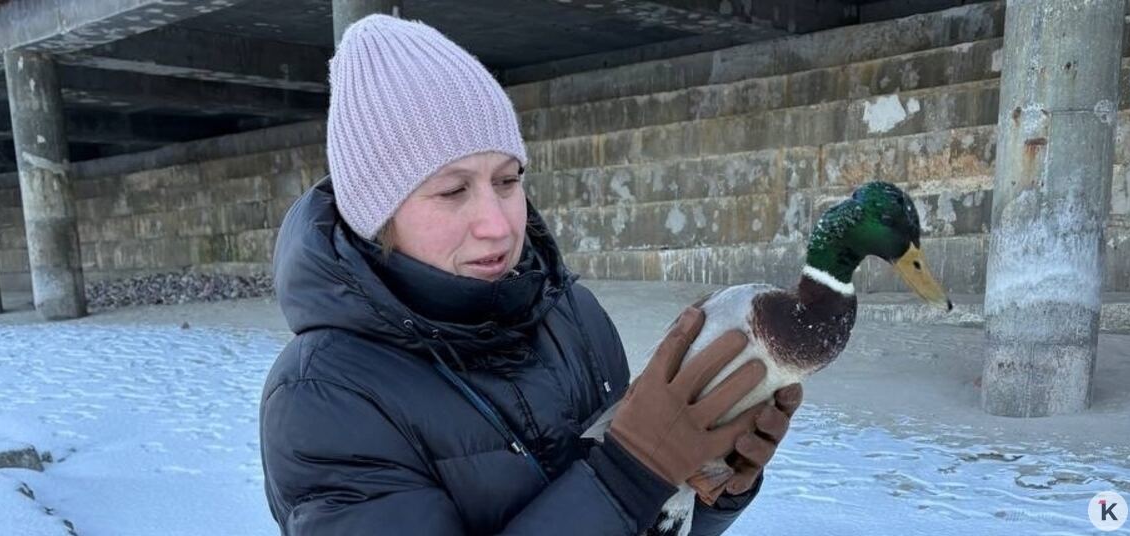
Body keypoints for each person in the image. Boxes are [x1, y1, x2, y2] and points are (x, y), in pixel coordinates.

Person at [259, 14, 802, 536]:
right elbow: (628, 484)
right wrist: (631, 475)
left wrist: (699, 486)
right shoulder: (321, 398)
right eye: (453, 190)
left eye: (507, 180)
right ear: (377, 216)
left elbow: (648, 520)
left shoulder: (572, 315)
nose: (498, 225)